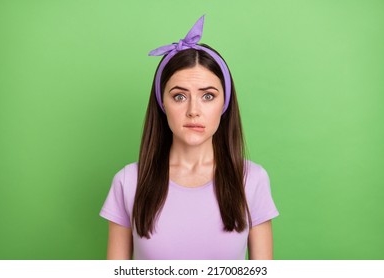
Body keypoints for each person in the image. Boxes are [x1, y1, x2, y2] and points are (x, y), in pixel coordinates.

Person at [99, 15, 279, 260]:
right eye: (179, 96)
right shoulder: (128, 182)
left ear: (224, 103)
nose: (193, 110)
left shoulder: (252, 180)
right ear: (162, 103)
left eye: (208, 96)